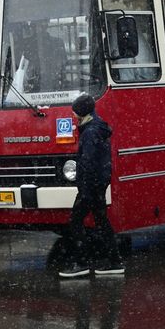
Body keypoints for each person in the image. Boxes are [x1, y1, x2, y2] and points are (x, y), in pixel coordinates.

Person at [60, 94, 123, 277]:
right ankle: (115, 262)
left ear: (82, 113)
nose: (73, 117)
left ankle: (81, 263)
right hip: (97, 185)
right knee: (102, 222)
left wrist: (85, 189)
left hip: (90, 186)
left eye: (75, 113)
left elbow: (88, 163)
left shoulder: (90, 132)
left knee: (75, 221)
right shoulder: (95, 128)